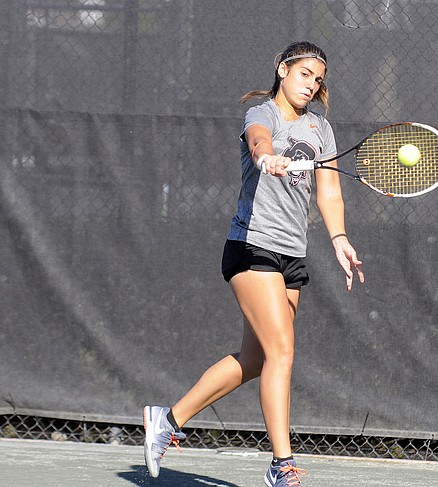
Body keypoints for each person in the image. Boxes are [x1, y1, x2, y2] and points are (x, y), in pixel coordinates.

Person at [143, 41, 364, 487]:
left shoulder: (321, 129)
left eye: (318, 79)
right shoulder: (260, 113)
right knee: (282, 351)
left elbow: (329, 192)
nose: (311, 84)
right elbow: (259, 142)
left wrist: (339, 238)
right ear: (283, 70)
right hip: (252, 246)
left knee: (257, 359)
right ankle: (281, 465)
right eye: (304, 74)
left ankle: (167, 420)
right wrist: (266, 159)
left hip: (292, 254)